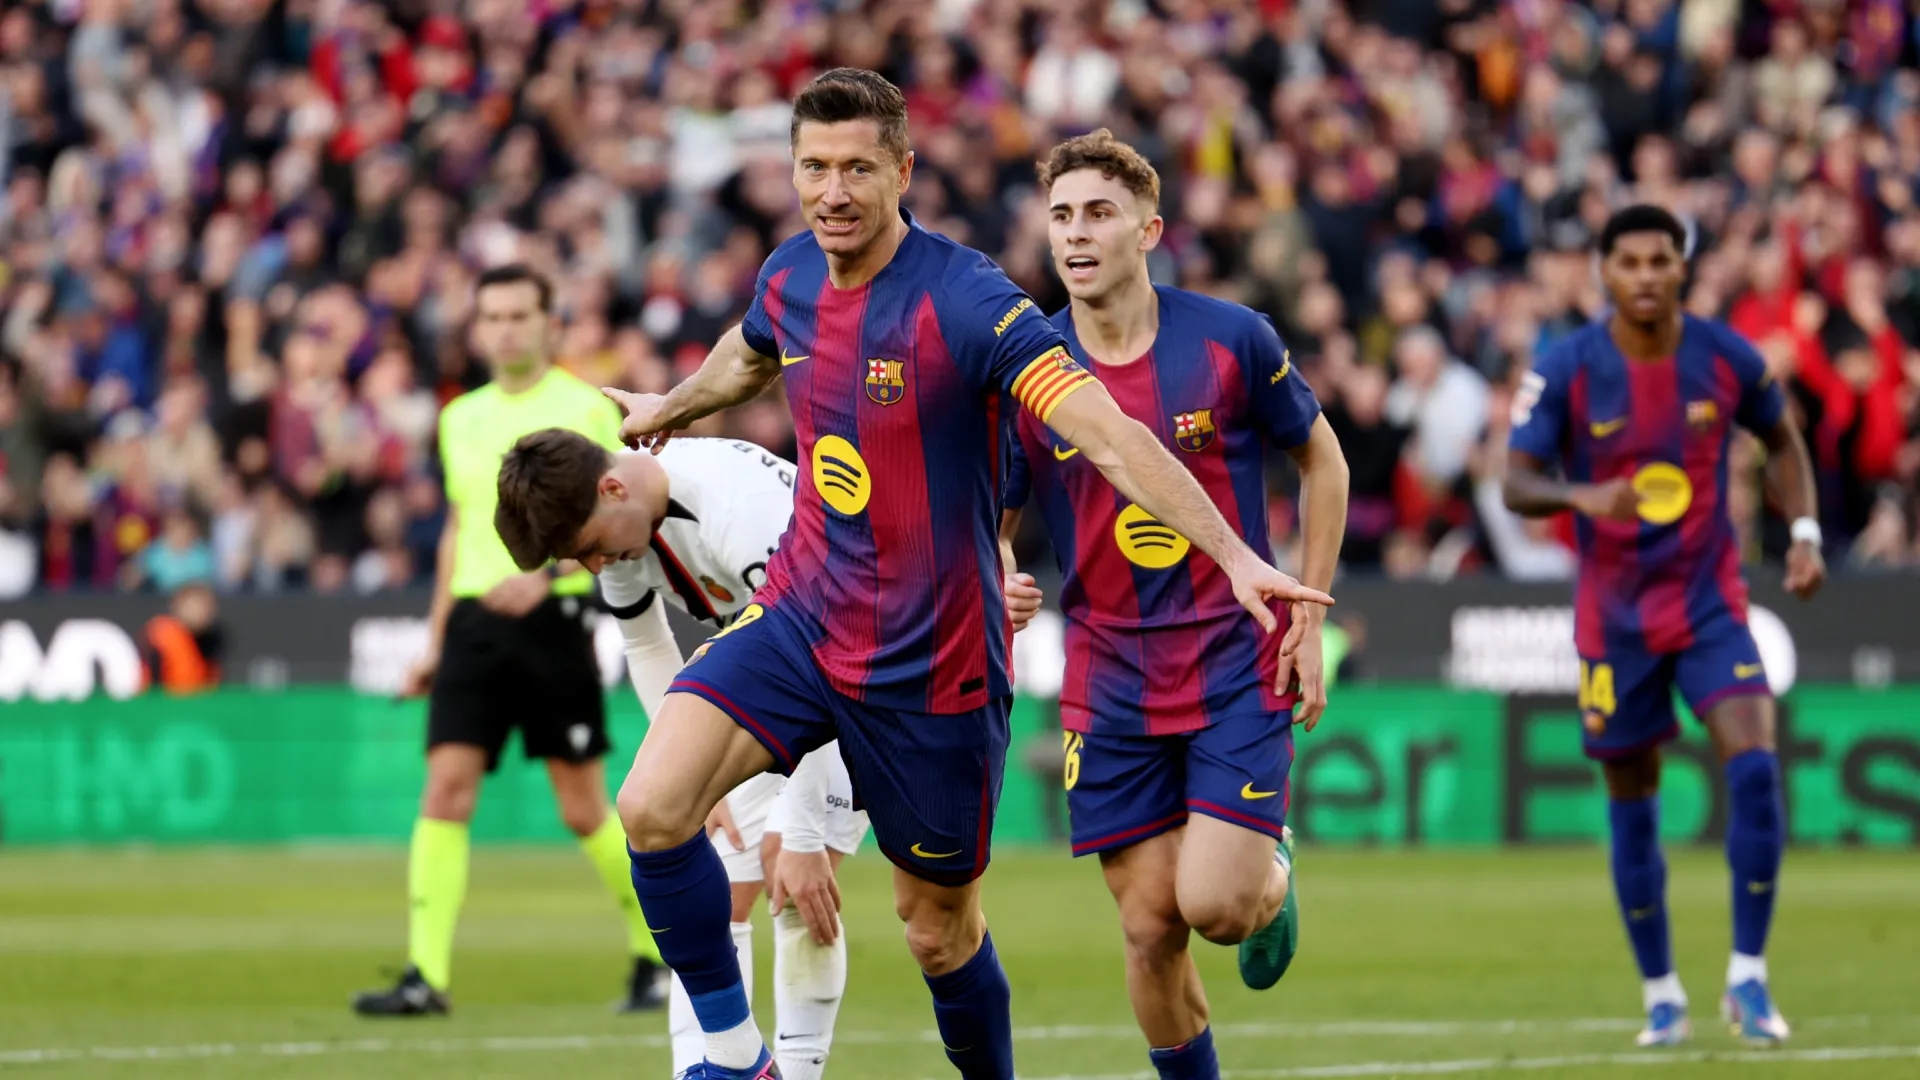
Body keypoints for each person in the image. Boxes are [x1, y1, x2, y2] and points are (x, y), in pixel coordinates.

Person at [599, 68, 1335, 1080]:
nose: (833, 192)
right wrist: (674, 406)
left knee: (937, 931)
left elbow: (1107, 435)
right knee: (651, 807)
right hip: (805, 614)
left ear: (903, 171)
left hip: (932, 666)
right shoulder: (792, 274)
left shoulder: (968, 298)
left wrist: (1239, 556)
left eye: (859, 168)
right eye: (813, 168)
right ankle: (733, 1059)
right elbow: (751, 349)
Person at [997, 131, 1350, 1080]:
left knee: (1219, 910)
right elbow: (994, 508)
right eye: (1062, 215)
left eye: (1099, 213)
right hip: (1109, 675)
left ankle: (1272, 885)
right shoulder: (1026, 369)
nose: (1076, 233)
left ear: (1148, 230)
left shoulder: (1232, 340)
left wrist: (1309, 619)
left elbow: (1324, 461)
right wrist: (997, 566)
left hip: (1238, 656)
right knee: (1150, 927)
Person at [1503, 204, 1826, 1048]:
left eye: (1660, 261)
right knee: (1633, 802)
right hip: (1614, 625)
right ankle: (1661, 993)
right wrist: (1579, 497)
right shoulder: (1567, 367)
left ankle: (1749, 980)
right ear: (1604, 273)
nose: (1646, 275)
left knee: (1756, 766)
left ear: (1682, 268)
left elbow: (1783, 438)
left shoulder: (1724, 356)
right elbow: (1516, 481)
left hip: (1710, 605)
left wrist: (1803, 533)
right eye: (1630, 262)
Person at [492, 426, 871, 1080]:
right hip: (770, 676)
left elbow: (826, 653)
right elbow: (645, 647)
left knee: (797, 883)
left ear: (612, 489)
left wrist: (804, 829)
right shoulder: (626, 521)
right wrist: (701, 778)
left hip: (861, 672)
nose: (592, 567)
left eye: (585, 549)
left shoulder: (737, 511)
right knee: (713, 898)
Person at [352, 265, 671, 1017]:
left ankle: (657, 958)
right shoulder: (458, 417)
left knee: (583, 807)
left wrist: (551, 581)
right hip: (471, 623)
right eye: (491, 315)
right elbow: (461, 528)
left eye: (519, 314)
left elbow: (622, 526)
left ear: (549, 322)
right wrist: (434, 641)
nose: (505, 328)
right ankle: (424, 976)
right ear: (477, 328)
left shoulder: (589, 408)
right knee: (445, 790)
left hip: (555, 615)